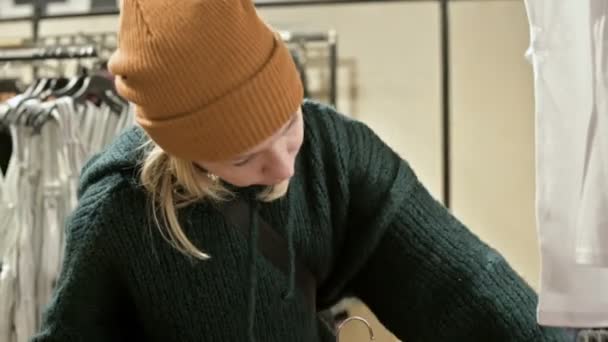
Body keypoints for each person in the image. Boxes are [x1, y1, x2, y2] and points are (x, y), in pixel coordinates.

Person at [32, 1, 572, 341]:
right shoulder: (120, 215)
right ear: (182, 154)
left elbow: (462, 284)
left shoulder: (333, 151)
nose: (285, 160)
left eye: (288, 121)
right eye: (245, 157)